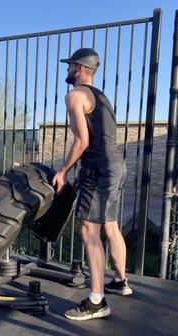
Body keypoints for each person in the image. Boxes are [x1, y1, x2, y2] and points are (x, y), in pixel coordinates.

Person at [52, 48, 133, 321]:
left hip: (99, 170)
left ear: (79, 67)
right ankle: (121, 281)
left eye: (69, 66)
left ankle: (97, 301)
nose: (67, 71)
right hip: (115, 166)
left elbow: (82, 141)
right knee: (109, 225)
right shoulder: (101, 97)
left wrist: (64, 171)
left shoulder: (75, 95)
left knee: (88, 230)